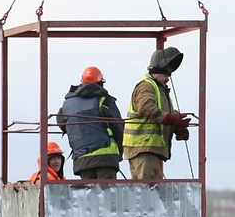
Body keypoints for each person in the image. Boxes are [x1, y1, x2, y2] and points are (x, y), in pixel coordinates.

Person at [122, 47, 190, 179]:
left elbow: (163, 112)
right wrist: (171, 119)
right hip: (143, 147)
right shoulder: (146, 86)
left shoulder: (158, 90)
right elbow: (146, 107)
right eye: (166, 74)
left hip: (146, 148)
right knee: (149, 191)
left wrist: (177, 125)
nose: (168, 78)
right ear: (156, 72)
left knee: (144, 192)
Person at [57, 66, 124, 179]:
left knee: (88, 195)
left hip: (82, 160)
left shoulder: (68, 104)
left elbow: (62, 124)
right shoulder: (104, 100)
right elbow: (118, 127)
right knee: (107, 194)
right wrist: (119, 154)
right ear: (100, 83)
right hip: (106, 158)